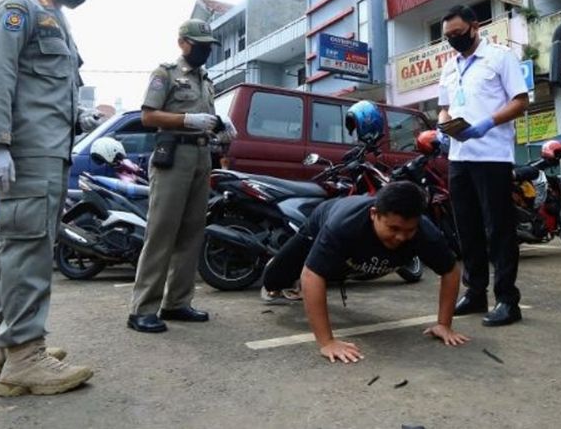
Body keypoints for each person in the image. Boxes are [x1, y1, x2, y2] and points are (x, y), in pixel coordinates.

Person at [0, 0, 95, 397]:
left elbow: (45, 87)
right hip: (27, 151)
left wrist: (78, 116)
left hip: (48, 150)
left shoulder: (57, 20)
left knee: (15, 248)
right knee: (30, 251)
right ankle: (25, 355)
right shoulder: (18, 10)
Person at [261, 181, 470, 363]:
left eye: (409, 230)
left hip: (356, 252)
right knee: (274, 280)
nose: (400, 237)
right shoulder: (343, 225)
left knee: (337, 269)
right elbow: (312, 275)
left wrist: (444, 324)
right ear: (374, 215)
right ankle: (281, 267)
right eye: (393, 229)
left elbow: (450, 272)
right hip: (320, 223)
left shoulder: (426, 233)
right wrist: (327, 342)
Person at [127, 19, 235, 333]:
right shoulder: (166, 74)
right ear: (182, 43)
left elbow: (206, 120)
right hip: (173, 155)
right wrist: (187, 119)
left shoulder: (206, 79)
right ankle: (142, 309)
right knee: (162, 232)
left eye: (208, 46)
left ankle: (176, 303)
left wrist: (220, 125)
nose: (204, 50)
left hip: (202, 155)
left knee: (191, 232)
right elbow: (148, 115)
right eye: (199, 44)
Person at [436, 5, 530, 326]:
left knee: (499, 229)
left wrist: (487, 123)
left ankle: (507, 300)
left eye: (458, 34)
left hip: (492, 156)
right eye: (448, 37)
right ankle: (476, 293)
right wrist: (443, 126)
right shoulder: (449, 67)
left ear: (475, 27)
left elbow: (520, 100)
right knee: (468, 230)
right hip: (459, 159)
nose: (453, 41)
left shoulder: (501, 57)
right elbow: (444, 108)